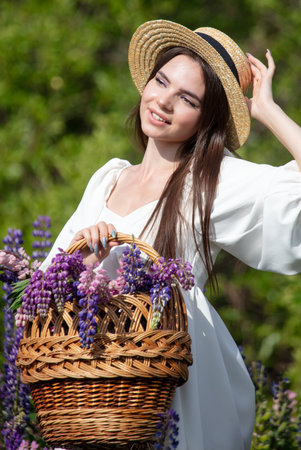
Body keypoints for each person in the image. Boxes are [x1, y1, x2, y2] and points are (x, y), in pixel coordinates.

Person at [42, 19, 301, 450]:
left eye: (187, 99)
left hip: (170, 375)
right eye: (161, 81)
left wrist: (267, 110)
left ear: (206, 119)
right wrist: (83, 261)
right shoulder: (108, 178)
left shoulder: (212, 182)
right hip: (93, 382)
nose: (163, 101)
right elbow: (46, 285)